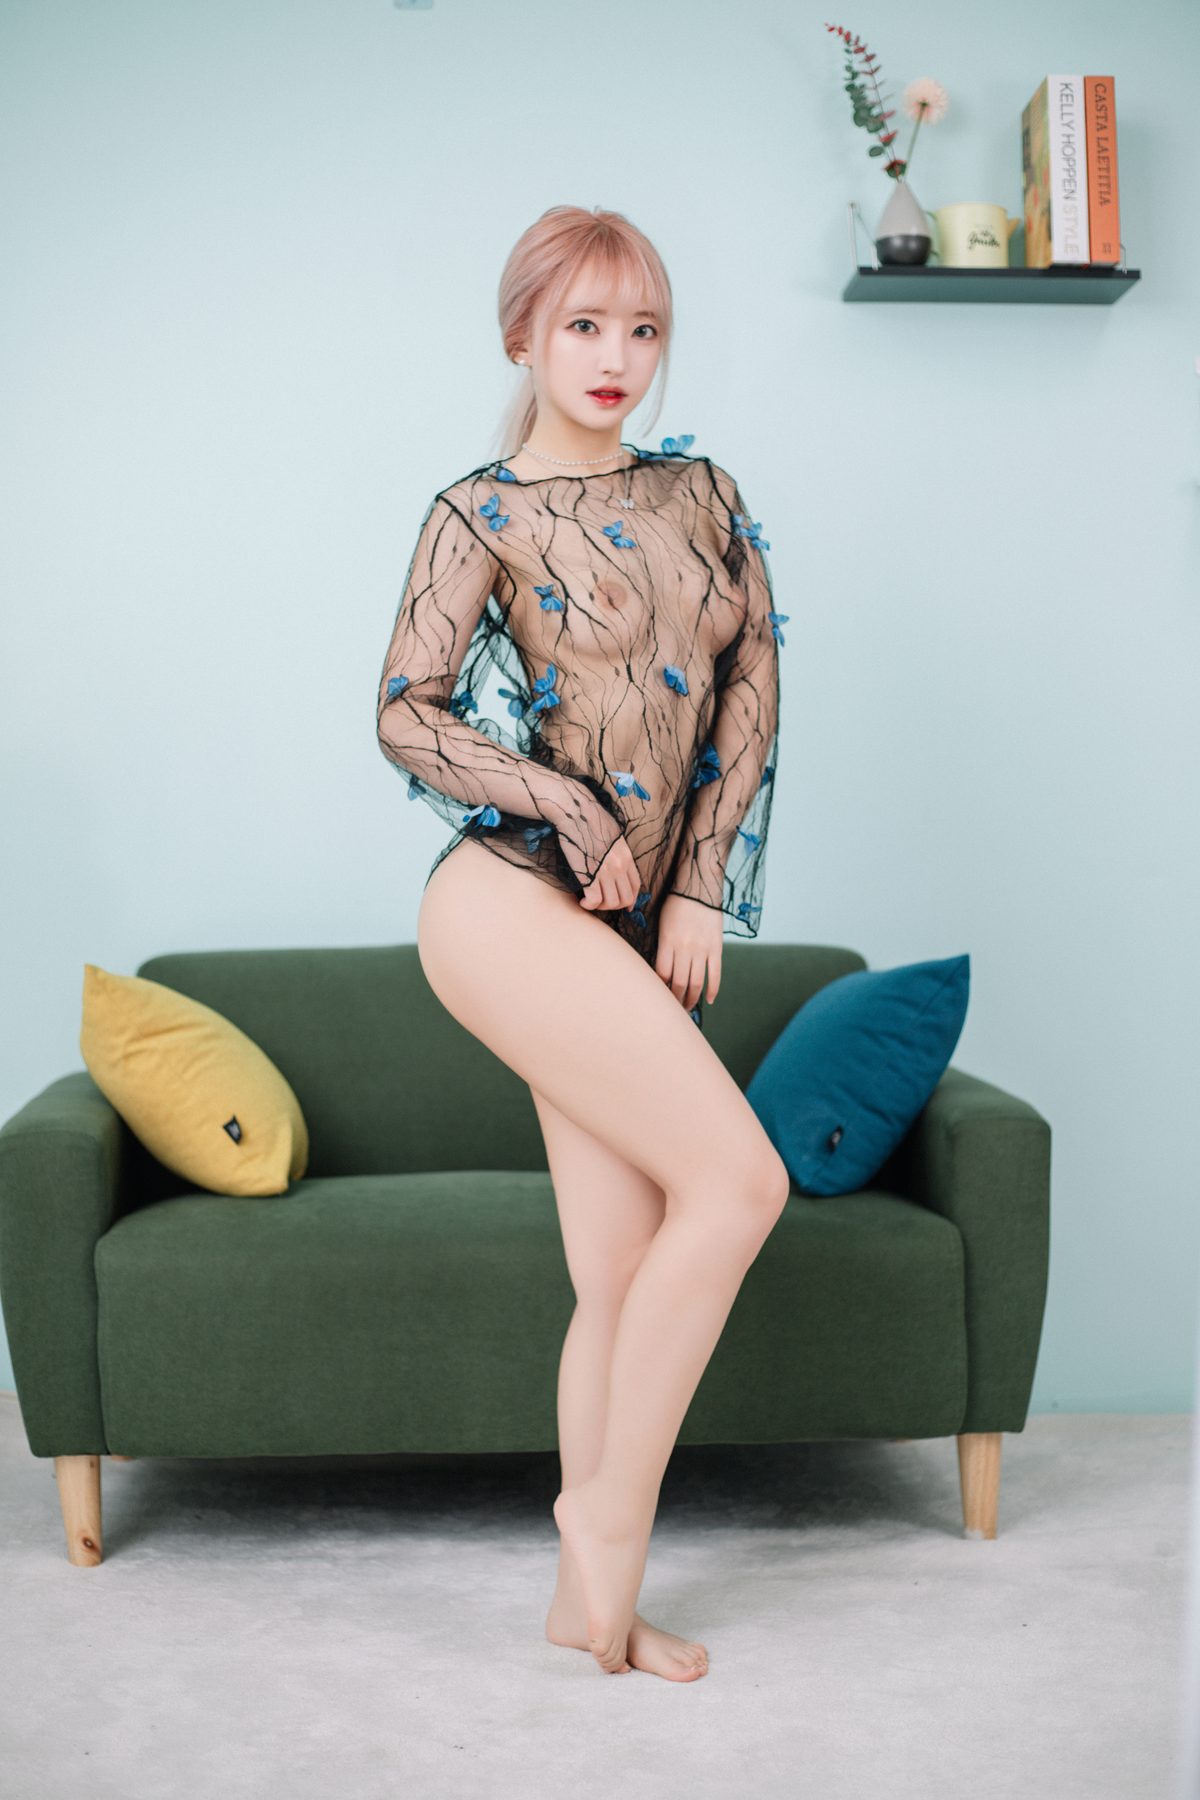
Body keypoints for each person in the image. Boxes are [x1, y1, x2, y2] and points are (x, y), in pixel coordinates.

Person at [376, 204, 790, 1681]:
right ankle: (607, 1516)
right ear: (525, 339)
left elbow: (750, 680)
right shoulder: (479, 514)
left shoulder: (702, 492)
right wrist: (563, 799)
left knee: (617, 1272)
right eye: (584, 326)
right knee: (741, 1184)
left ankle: (586, 1608)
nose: (617, 356)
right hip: (506, 905)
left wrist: (698, 888)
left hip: (621, 920)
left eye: (643, 327)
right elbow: (405, 710)